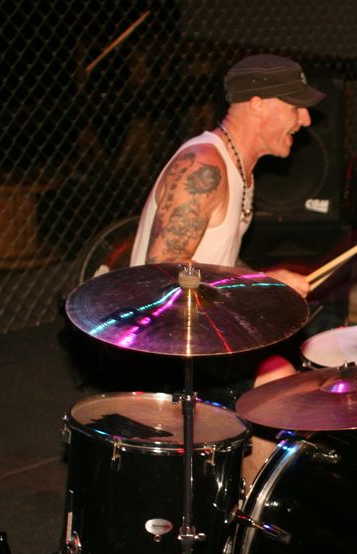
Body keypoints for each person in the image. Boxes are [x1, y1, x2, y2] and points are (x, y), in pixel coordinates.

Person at [128, 54, 326, 484]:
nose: (306, 120)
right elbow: (160, 272)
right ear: (258, 104)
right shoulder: (205, 165)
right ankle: (245, 509)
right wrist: (259, 283)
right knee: (280, 383)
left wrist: (267, 283)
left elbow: (214, 260)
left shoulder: (240, 169)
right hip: (164, 348)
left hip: (197, 334)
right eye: (296, 107)